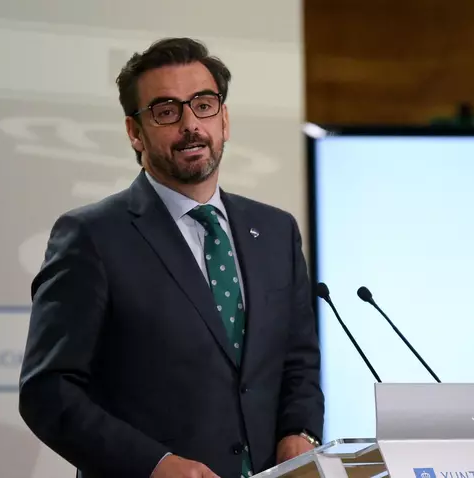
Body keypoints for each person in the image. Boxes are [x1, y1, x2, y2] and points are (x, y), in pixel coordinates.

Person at [18, 37, 324, 478]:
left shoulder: (275, 231)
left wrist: (300, 432)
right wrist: (154, 465)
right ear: (134, 132)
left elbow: (298, 363)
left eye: (203, 105)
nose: (190, 124)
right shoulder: (92, 236)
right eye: (166, 111)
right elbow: (48, 392)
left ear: (224, 119)